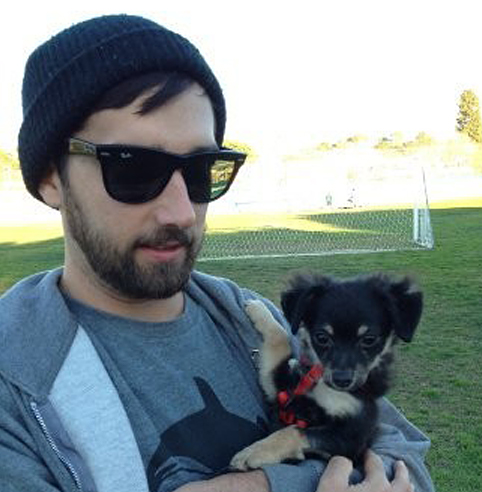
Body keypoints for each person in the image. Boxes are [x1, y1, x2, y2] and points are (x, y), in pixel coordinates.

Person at [0, 14, 434, 492]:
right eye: (133, 168)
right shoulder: (14, 379)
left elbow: (401, 449)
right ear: (49, 177)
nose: (182, 212)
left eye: (204, 170)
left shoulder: (245, 316)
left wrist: (260, 485)